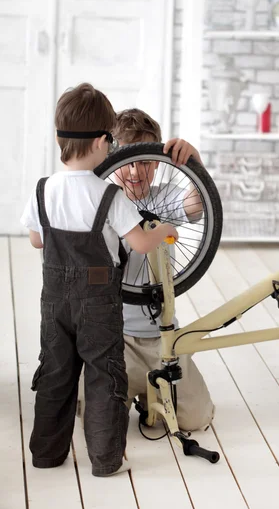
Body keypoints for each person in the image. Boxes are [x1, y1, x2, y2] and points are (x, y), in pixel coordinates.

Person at [20, 84, 178, 477]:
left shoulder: (44, 189)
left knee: (55, 373)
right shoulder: (108, 195)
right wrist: (163, 229)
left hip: (54, 301)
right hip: (99, 303)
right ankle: (106, 459)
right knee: (104, 375)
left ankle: (46, 454)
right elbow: (140, 244)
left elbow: (37, 239)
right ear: (98, 143)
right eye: (110, 139)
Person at [78, 107, 215, 432]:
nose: (137, 171)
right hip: (115, 336)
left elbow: (198, 202)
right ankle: (135, 391)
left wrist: (195, 163)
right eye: (129, 161)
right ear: (112, 158)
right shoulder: (100, 201)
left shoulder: (164, 198)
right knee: (94, 419)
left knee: (196, 419)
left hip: (162, 337)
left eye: (146, 161)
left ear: (157, 161)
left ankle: (151, 391)